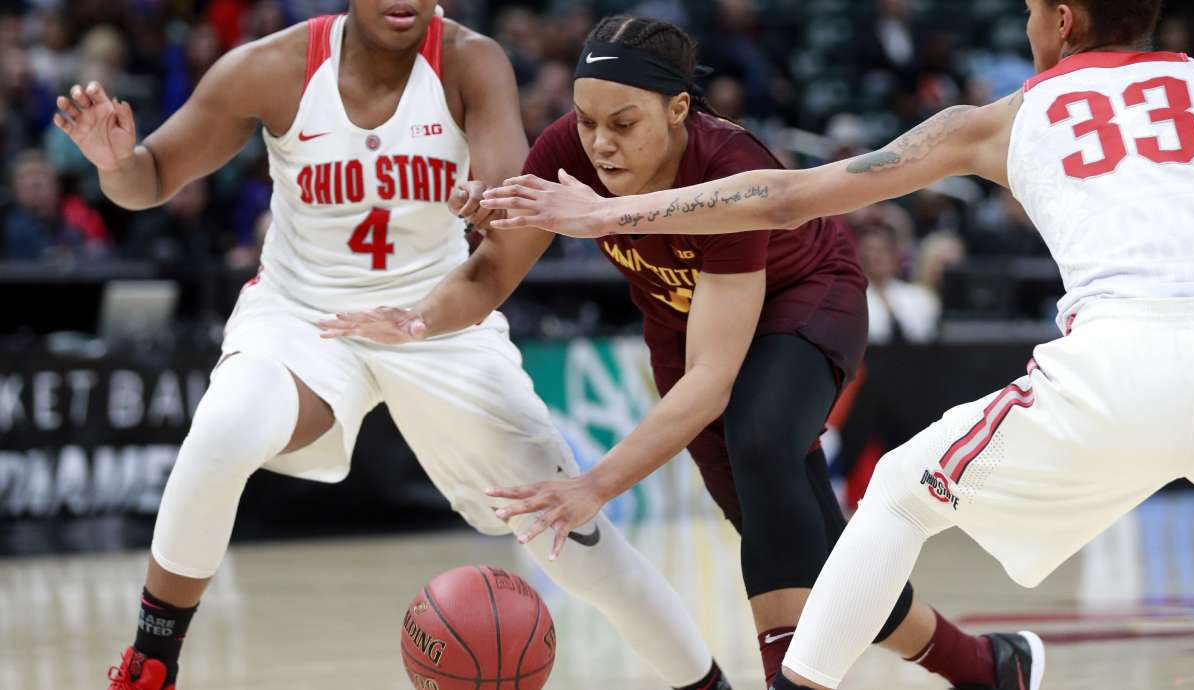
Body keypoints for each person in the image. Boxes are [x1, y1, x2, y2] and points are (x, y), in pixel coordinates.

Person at [476, 1, 1194, 688]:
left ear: (1061, 22)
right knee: (796, 515)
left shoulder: (998, 120)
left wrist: (605, 216)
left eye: (1032, 10)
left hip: (1118, 362)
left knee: (895, 493)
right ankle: (982, 667)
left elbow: (784, 198)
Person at [322, 15, 1028, 689]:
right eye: (587, 121)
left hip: (804, 295)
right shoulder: (568, 152)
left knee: (760, 442)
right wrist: (417, 318)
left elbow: (713, 380)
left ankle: (786, 680)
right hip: (679, 316)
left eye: (623, 124)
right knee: (803, 545)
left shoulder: (726, 164)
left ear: (678, 109)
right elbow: (488, 275)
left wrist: (594, 486)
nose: (599, 143)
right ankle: (984, 666)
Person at [53, 3, 726, 689]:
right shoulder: (272, 68)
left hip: (439, 317)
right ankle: (150, 665)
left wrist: (487, 203)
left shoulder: (470, 62)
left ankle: (707, 683)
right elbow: (149, 178)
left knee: (573, 540)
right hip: (305, 316)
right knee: (224, 428)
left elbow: (511, 205)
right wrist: (115, 163)